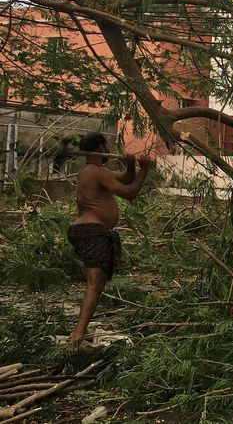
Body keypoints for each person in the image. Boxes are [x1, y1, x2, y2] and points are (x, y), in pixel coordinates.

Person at [67, 133, 152, 348]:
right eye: (107, 147)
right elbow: (130, 192)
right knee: (94, 284)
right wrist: (145, 171)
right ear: (101, 149)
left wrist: (132, 167)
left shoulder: (94, 172)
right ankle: (78, 333)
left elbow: (124, 178)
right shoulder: (94, 172)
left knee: (97, 282)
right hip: (91, 231)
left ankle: (81, 331)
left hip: (93, 231)